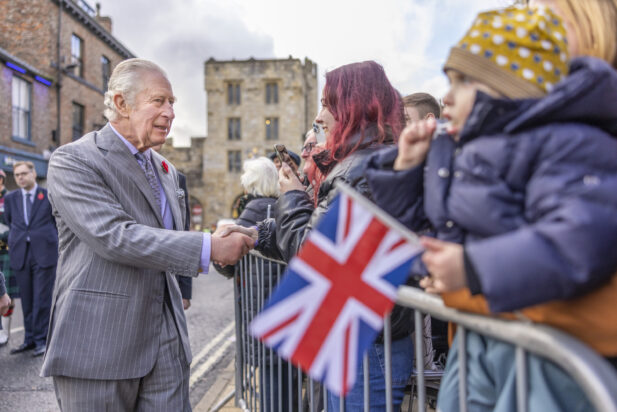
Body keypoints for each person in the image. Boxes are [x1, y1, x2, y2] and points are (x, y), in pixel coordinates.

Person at [365, 5, 617, 410]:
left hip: (546, 358)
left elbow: (578, 241)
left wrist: (473, 271)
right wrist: (405, 173)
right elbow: (432, 235)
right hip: (482, 343)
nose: (447, 98)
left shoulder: (570, 143)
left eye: (463, 81)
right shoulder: (471, 151)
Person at [41, 58, 253, 411]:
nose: (170, 112)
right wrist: (209, 246)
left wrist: (215, 233)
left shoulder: (166, 169)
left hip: (167, 346)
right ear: (121, 103)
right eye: (159, 101)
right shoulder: (73, 161)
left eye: (172, 103)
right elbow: (114, 236)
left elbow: (166, 239)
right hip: (99, 347)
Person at [223, 61, 411, 411]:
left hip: (367, 347)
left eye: (328, 104)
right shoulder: (362, 162)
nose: (320, 116)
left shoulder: (362, 169)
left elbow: (314, 254)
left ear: (354, 107)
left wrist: (292, 194)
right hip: (361, 338)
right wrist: (257, 234)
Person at [3, 161, 57, 357]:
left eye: (24, 173)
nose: (20, 178)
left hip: (44, 253)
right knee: (26, 299)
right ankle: (29, 339)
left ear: (34, 174)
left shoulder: (48, 196)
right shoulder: (11, 199)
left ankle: (42, 340)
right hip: (21, 253)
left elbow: (56, 220)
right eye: (17, 175)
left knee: (41, 299)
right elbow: (11, 221)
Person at [0, 169, 13, 347]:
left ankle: (5, 331)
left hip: (7, 250)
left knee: (6, 293)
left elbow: (16, 222)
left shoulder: (9, 198)